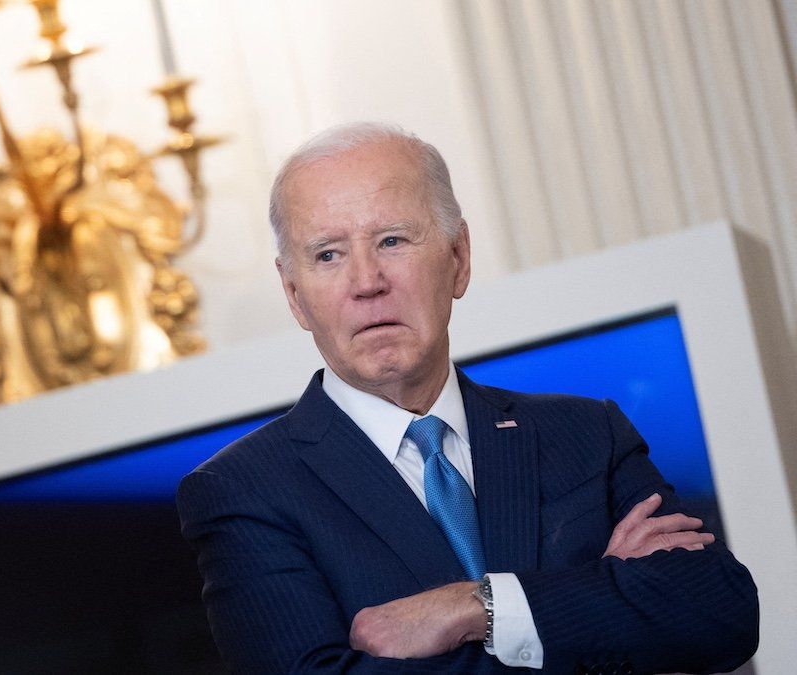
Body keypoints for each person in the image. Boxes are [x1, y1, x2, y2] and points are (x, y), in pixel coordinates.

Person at [175, 122, 759, 674]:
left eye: (392, 240)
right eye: (328, 254)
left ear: (458, 258)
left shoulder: (586, 434)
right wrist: (599, 607)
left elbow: (719, 611)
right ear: (295, 296)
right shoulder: (243, 491)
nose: (366, 281)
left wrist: (476, 606)